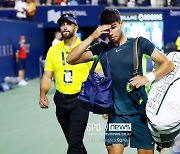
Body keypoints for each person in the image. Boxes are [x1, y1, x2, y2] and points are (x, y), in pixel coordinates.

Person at [66, 8, 174, 154]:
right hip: (117, 115)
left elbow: (168, 64)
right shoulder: (101, 49)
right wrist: (92, 36)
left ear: (121, 24)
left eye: (113, 27)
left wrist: (146, 78)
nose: (110, 32)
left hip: (141, 114)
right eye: (106, 29)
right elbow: (71, 59)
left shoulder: (139, 43)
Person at [39, 13, 101, 154]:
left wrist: (101, 100)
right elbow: (47, 76)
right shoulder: (53, 50)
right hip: (60, 101)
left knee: (74, 143)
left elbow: (99, 74)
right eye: (62, 24)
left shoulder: (86, 49)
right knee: (75, 143)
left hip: (80, 100)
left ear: (76, 27)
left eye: (69, 24)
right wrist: (43, 94)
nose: (65, 27)